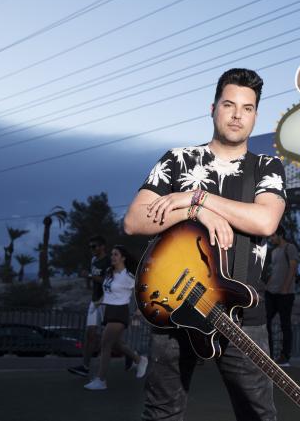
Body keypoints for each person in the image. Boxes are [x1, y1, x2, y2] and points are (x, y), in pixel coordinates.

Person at [123, 68, 286, 421]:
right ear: (212, 108)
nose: (237, 114)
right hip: (174, 307)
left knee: (260, 415)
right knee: (162, 413)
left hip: (242, 314)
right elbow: (134, 220)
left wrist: (196, 197)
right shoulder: (177, 161)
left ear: (256, 115)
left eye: (247, 107)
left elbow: (265, 220)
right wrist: (192, 213)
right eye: (229, 104)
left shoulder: (266, 167)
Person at [84, 245, 148, 390]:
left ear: (123, 258)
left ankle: (101, 380)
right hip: (108, 311)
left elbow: (141, 292)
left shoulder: (129, 277)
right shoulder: (109, 273)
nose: (112, 257)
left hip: (120, 312)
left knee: (105, 344)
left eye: (116, 255)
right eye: (112, 254)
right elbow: (107, 292)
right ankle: (139, 359)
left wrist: (139, 309)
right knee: (117, 344)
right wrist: (98, 303)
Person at [68, 236, 110, 377]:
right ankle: (85, 367)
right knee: (90, 334)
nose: (92, 249)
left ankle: (134, 357)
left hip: (107, 301)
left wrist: (90, 276)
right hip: (95, 301)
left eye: (94, 246)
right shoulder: (93, 261)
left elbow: (107, 281)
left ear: (102, 246)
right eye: (90, 247)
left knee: (112, 338)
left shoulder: (109, 261)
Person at [265, 226, 299, 367]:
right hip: (271, 293)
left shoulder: (290, 248)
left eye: (273, 236)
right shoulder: (274, 252)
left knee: (285, 325)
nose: (271, 239)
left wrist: (285, 288)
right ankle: (269, 354)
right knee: (265, 322)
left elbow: (293, 268)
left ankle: (285, 357)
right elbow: (274, 271)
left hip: (285, 294)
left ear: (280, 234)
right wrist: (266, 286)